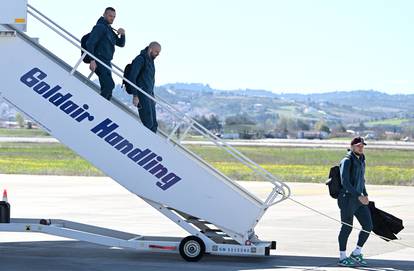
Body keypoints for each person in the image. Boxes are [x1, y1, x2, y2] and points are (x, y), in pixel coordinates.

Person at [337, 136, 373, 267]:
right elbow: (345, 182)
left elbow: (361, 180)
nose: (361, 147)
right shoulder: (347, 161)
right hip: (347, 199)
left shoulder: (361, 160)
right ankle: (342, 257)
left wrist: (365, 194)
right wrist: (359, 195)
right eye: (358, 145)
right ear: (352, 146)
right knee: (347, 228)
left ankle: (356, 253)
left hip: (358, 199)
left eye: (362, 145)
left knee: (368, 226)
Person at [86, 7, 125, 100]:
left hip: (107, 62)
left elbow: (120, 43)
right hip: (99, 60)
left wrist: (123, 34)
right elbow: (90, 43)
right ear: (104, 14)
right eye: (110, 16)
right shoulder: (100, 27)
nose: (112, 18)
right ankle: (98, 105)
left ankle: (102, 107)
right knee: (109, 85)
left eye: (114, 17)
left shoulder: (109, 30)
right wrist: (92, 60)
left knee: (109, 88)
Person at [127, 42, 161, 133]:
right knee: (148, 123)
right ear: (150, 49)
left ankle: (150, 146)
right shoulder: (140, 59)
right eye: (156, 52)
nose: (158, 54)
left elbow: (150, 81)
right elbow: (132, 77)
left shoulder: (151, 61)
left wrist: (152, 96)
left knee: (154, 125)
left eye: (159, 52)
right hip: (141, 94)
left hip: (149, 95)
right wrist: (135, 95)